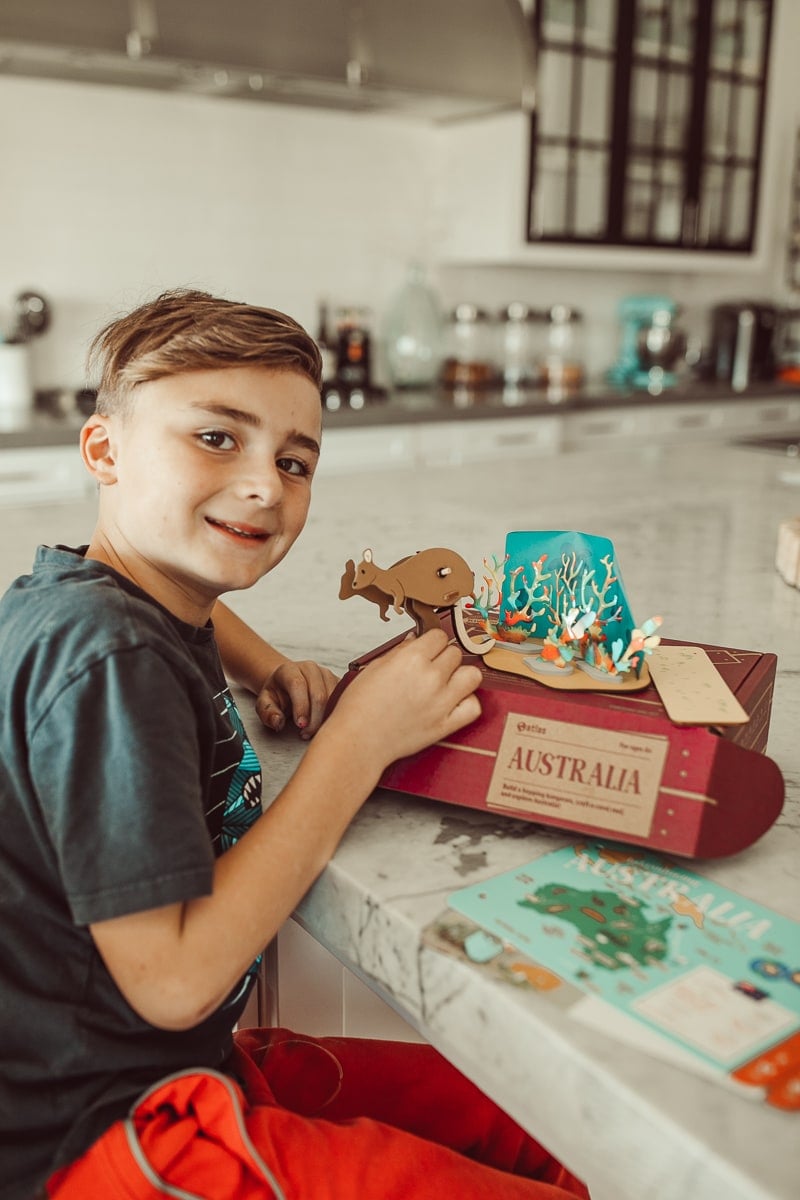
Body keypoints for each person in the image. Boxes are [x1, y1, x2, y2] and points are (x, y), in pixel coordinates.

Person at [0, 289, 589, 1199]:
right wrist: (356, 742)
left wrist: (265, 663)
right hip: (105, 1136)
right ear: (103, 449)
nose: (266, 484)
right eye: (216, 437)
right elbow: (175, 983)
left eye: (296, 459)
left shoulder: (93, 596)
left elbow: (191, 609)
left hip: (164, 1074)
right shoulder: (114, 659)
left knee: (556, 1135)